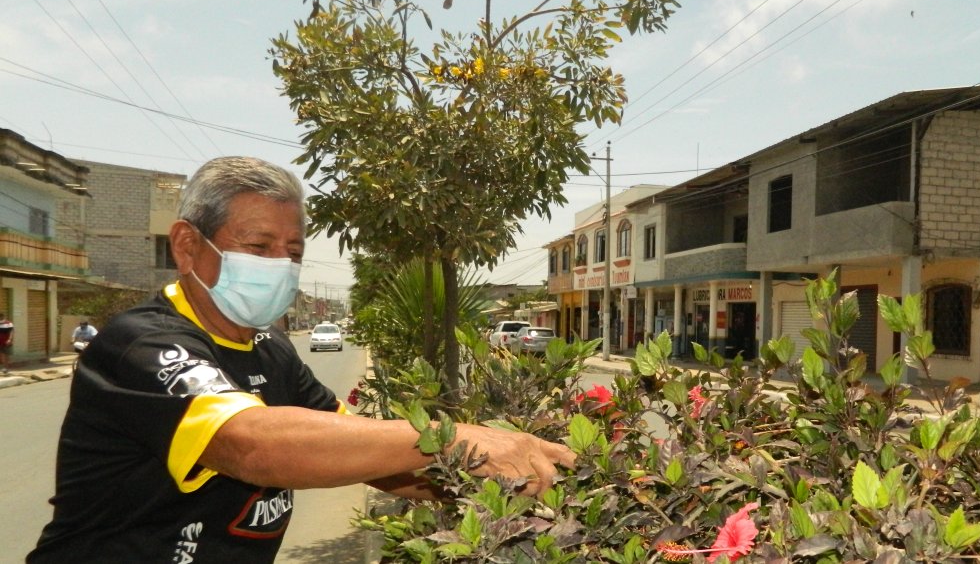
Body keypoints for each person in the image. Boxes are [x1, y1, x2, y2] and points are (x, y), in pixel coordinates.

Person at [29, 156, 575, 563]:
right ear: (187, 246)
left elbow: (370, 456)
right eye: (259, 246)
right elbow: (250, 444)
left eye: (293, 252)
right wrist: (455, 436)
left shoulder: (272, 349)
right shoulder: (140, 345)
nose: (280, 265)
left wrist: (495, 479)